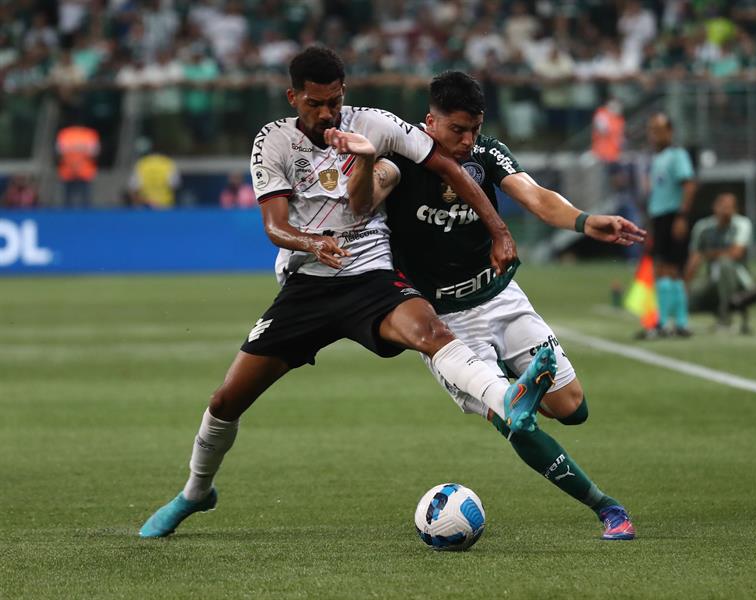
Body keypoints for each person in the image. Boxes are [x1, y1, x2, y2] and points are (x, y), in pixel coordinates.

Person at [139, 47, 555, 538]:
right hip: (308, 285)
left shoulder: (374, 124)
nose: (327, 113)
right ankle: (195, 492)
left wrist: (500, 230)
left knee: (431, 332)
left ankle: (509, 400)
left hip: (370, 274)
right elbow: (274, 226)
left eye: (334, 101)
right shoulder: (273, 140)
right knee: (228, 399)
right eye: (314, 103)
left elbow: (448, 167)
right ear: (293, 97)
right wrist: (312, 242)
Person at [330, 71, 645, 541]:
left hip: (498, 297)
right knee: (513, 421)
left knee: (572, 408)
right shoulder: (398, 160)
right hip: (443, 326)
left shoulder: (486, 153)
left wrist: (584, 221)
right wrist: (364, 162)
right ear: (429, 122)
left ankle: (518, 385)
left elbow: (535, 195)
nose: (467, 140)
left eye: (474, 129)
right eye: (457, 129)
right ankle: (608, 509)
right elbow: (364, 199)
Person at [686, 193, 756, 333]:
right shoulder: (703, 227)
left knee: (725, 263)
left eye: (730, 207)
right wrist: (685, 285)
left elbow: (735, 253)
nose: (726, 210)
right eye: (723, 206)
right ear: (715, 207)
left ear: (735, 209)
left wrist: (708, 254)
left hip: (738, 279)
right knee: (687, 303)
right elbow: (694, 259)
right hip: (712, 280)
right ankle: (714, 308)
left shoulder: (742, 224)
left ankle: (725, 319)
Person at [640, 112, 697, 338]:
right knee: (661, 269)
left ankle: (677, 322)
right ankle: (668, 322)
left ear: (670, 131)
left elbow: (689, 185)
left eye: (659, 130)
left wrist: (682, 216)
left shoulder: (677, 155)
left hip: (672, 216)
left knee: (671, 270)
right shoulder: (657, 158)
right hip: (659, 218)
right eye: (651, 130)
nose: (654, 135)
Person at [55, 123, 100, 208]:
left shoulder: (65, 134)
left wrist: (73, 164)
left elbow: (58, 155)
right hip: (78, 173)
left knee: (71, 202)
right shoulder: (89, 134)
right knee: (81, 202)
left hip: (76, 173)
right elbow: (95, 155)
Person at [128, 144, 180, 209]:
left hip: (145, 206)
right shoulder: (168, 163)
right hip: (165, 206)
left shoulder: (141, 164)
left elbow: (133, 188)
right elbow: (174, 185)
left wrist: (139, 203)